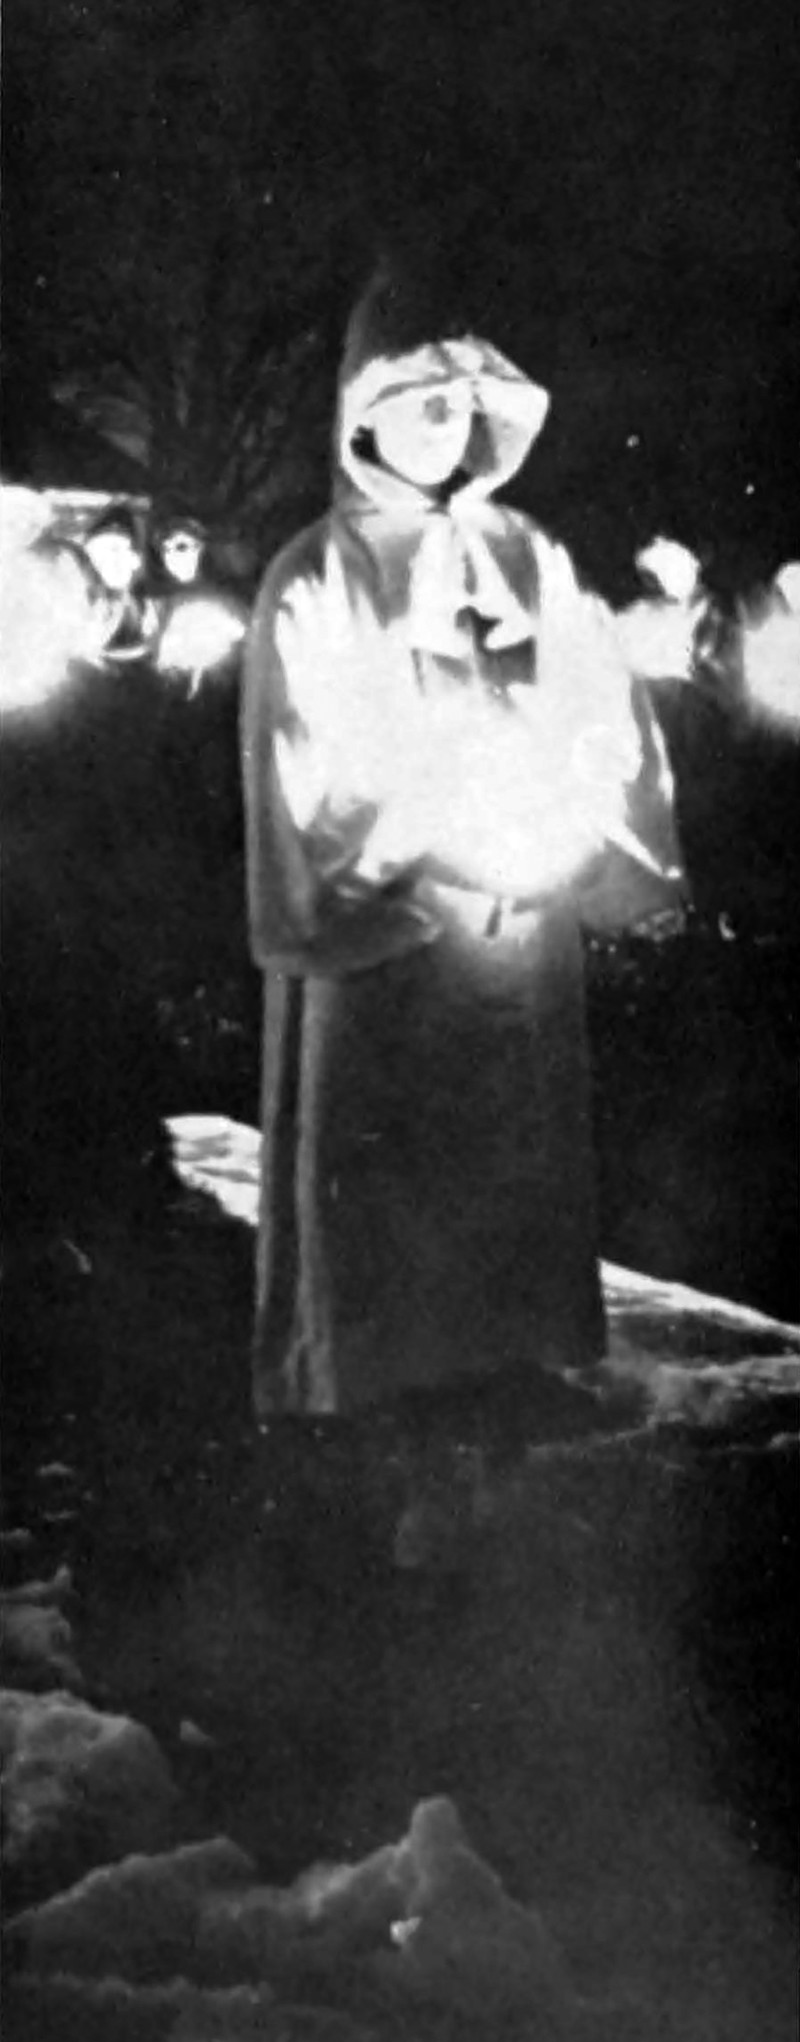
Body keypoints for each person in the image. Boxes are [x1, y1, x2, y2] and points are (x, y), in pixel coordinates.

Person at [240, 268, 688, 1557]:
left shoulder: (531, 559)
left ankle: (495, 1448)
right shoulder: (317, 575)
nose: (448, 429)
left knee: (506, 1183)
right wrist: (419, 827)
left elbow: (609, 719)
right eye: (423, 402)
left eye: (468, 406)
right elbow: (299, 764)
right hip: (393, 946)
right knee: (388, 1193)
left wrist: (574, 825)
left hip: (515, 943)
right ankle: (391, 1466)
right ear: (366, 412)